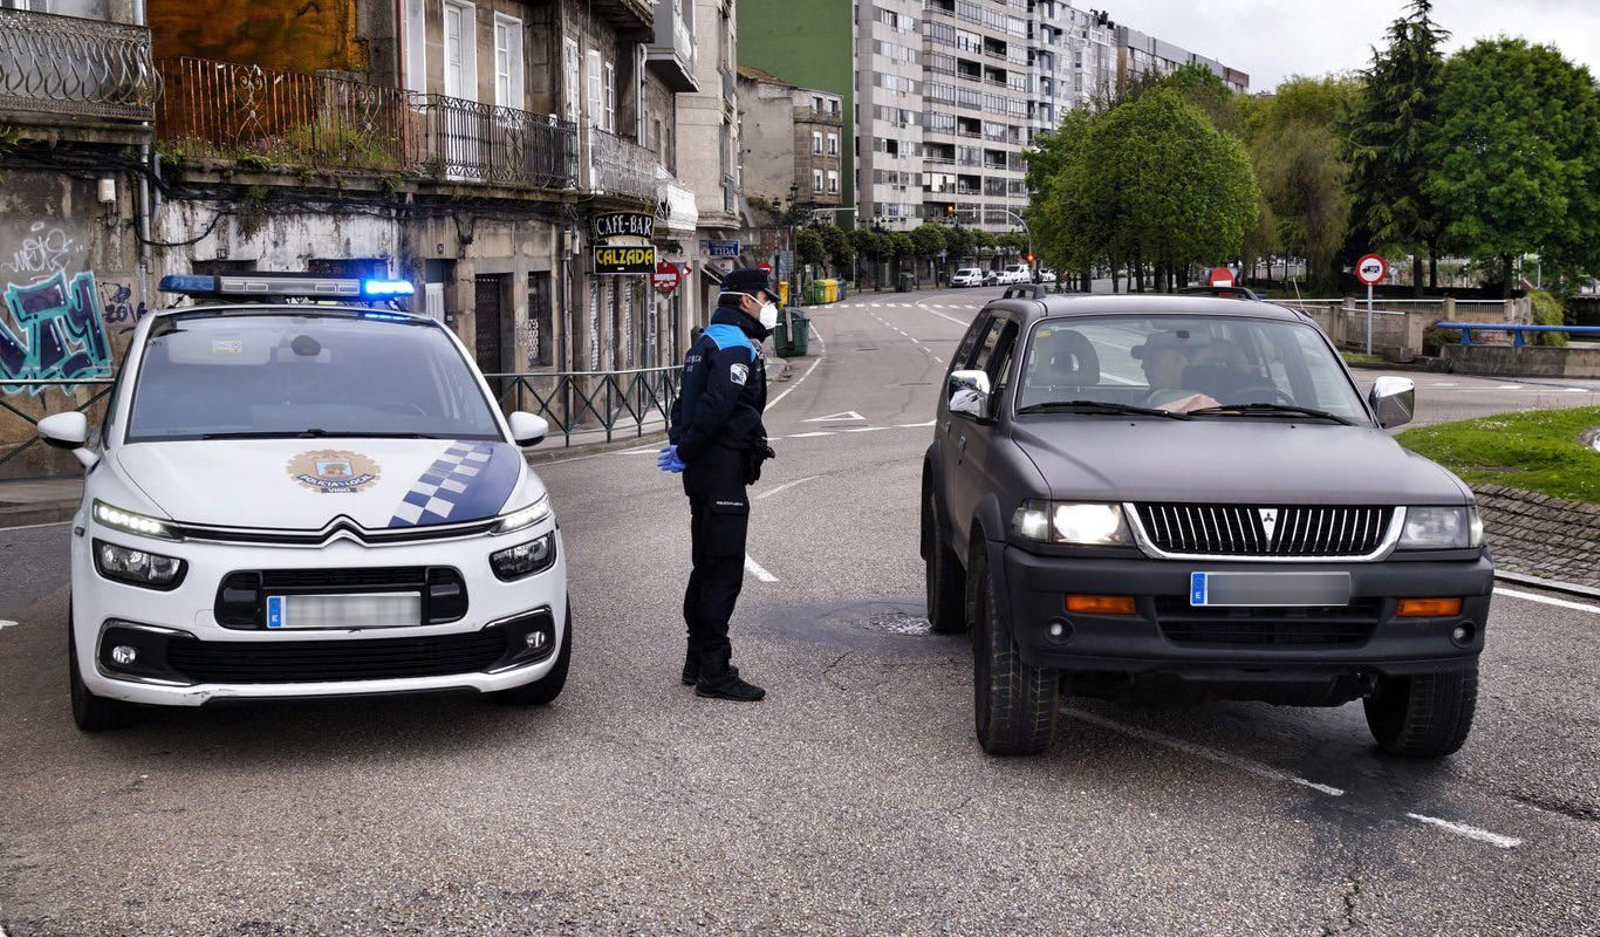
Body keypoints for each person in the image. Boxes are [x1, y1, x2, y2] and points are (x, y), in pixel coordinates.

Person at [656, 267, 780, 702]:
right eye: (766, 298)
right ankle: (714, 669)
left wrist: (682, 446)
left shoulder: (707, 339)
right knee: (724, 568)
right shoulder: (734, 345)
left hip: (704, 469)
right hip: (720, 466)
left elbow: (681, 401)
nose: (770, 307)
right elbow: (715, 406)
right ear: (746, 300)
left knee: (706, 563)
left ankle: (695, 660)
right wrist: (688, 449)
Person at [1133, 331, 1220, 412]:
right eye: (1144, 359)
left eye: (1151, 359)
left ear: (1179, 360)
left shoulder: (1206, 404)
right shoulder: (1150, 397)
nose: (1143, 366)